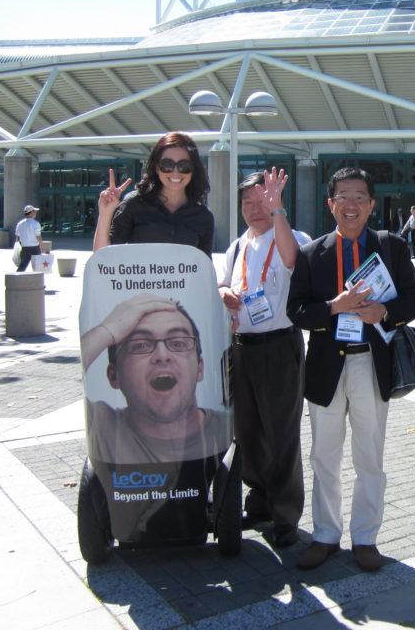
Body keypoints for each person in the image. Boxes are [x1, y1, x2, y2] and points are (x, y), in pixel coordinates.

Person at [287, 167, 415, 572]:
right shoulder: (313, 253)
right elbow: (296, 311)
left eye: (359, 197)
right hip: (327, 367)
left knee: (370, 457)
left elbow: (413, 298)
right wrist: (334, 308)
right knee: (323, 456)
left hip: (371, 361)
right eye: (342, 196)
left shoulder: (392, 247)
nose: (351, 204)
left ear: (371, 204)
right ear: (330, 204)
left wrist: (385, 311)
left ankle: (366, 537)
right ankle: (325, 535)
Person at [218, 169, 309, 549]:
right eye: (249, 202)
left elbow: (290, 260)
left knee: (281, 433)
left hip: (279, 347)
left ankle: (285, 514)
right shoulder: (238, 246)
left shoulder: (291, 235)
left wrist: (278, 212)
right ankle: (259, 503)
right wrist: (224, 292)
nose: (256, 208)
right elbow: (224, 281)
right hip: (242, 347)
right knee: (248, 432)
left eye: (263, 199)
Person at [80, 294, 230, 464]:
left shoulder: (227, 430)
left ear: (200, 368)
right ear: (114, 376)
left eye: (178, 343)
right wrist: (107, 330)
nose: (162, 355)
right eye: (141, 345)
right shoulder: (102, 427)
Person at [93, 132, 214, 258]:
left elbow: (204, 269)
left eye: (184, 166)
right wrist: (105, 214)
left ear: (193, 169)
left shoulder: (203, 216)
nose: (175, 172)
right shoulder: (134, 204)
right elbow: (103, 260)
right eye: (167, 165)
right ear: (156, 168)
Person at [14, 205, 43, 272]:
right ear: (31, 212)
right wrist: (42, 246)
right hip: (35, 247)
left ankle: (17, 279)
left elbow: (17, 235)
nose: (35, 213)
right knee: (38, 266)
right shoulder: (36, 223)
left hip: (24, 247)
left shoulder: (20, 223)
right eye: (34, 211)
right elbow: (38, 236)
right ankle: (37, 280)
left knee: (23, 265)